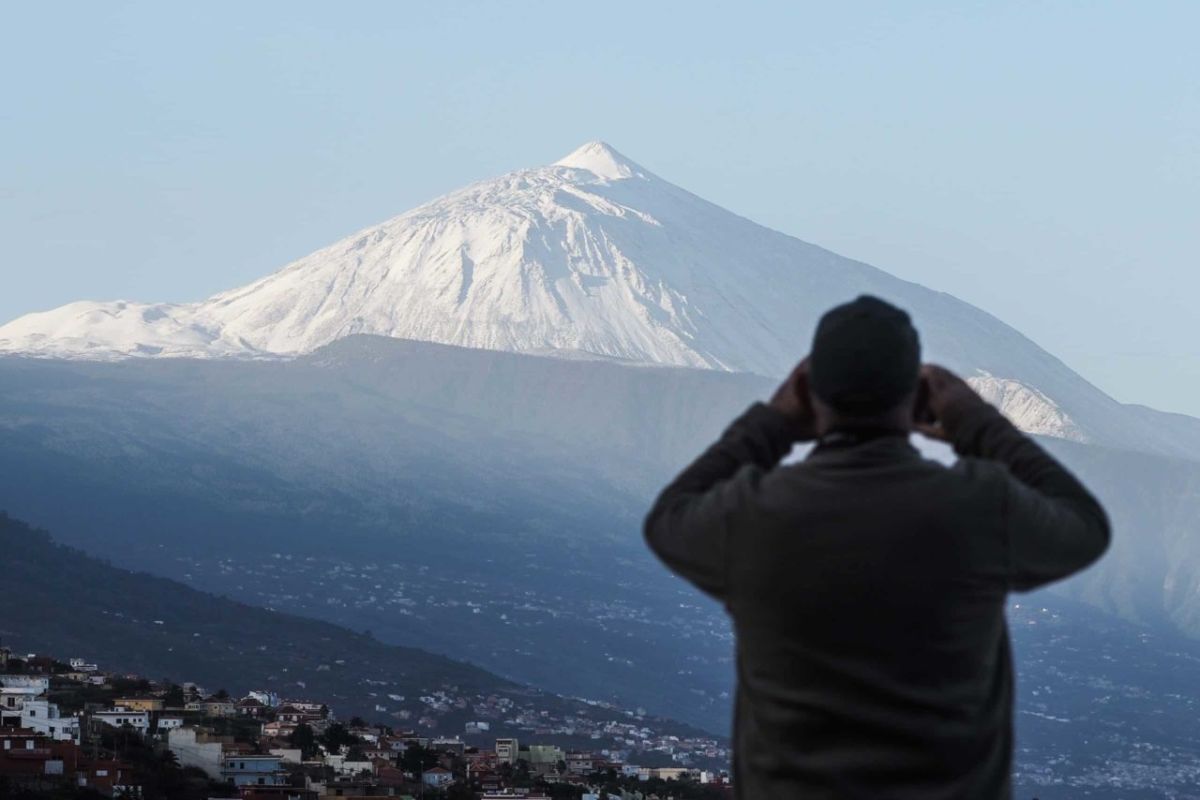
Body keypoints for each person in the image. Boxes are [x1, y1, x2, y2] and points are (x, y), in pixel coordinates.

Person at [644, 295, 1110, 800]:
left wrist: (772, 424)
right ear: (917, 397)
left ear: (808, 393)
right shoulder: (977, 507)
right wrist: (976, 422)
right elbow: (1085, 525)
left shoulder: (755, 515)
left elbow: (668, 520)